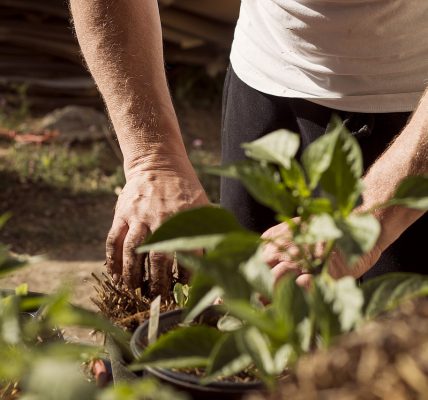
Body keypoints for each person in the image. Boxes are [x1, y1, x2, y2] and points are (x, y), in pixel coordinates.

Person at [69, 0, 428, 295]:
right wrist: (153, 158)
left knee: (395, 360)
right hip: (263, 79)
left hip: (413, 119)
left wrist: (368, 218)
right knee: (251, 324)